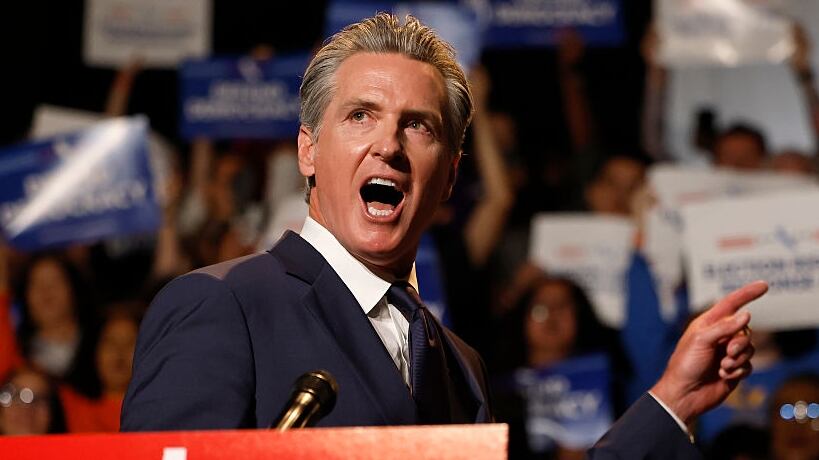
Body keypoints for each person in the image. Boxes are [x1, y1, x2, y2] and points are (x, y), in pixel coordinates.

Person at [122, 13, 766, 459]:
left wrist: (671, 401)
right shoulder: (222, 304)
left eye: (418, 127)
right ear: (308, 151)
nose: (388, 145)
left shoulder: (460, 363)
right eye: (360, 115)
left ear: (451, 173)